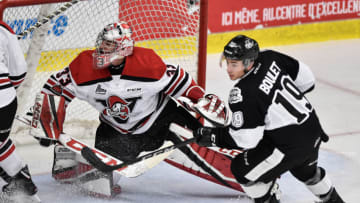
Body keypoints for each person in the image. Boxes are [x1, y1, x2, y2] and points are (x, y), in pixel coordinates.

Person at [37, 21, 241, 196]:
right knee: (101, 185)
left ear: (123, 48)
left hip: (162, 120)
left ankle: (248, 165)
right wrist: (46, 122)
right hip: (117, 133)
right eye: (103, 42)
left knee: (208, 141)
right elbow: (56, 88)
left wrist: (202, 99)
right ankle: (73, 164)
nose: (102, 48)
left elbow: (182, 81)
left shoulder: (147, 65)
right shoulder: (83, 68)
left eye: (110, 44)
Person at [193, 34, 345, 203]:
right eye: (227, 62)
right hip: (312, 130)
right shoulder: (270, 57)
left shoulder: (243, 92)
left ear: (249, 62)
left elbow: (246, 140)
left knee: (241, 169)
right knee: (306, 172)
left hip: (288, 146)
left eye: (234, 64)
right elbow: (308, 80)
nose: (229, 69)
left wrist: (214, 136)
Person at [0, 21, 40, 202]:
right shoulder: (3, 28)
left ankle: (21, 181)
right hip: (5, 101)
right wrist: (5, 92)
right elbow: (18, 72)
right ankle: (20, 181)